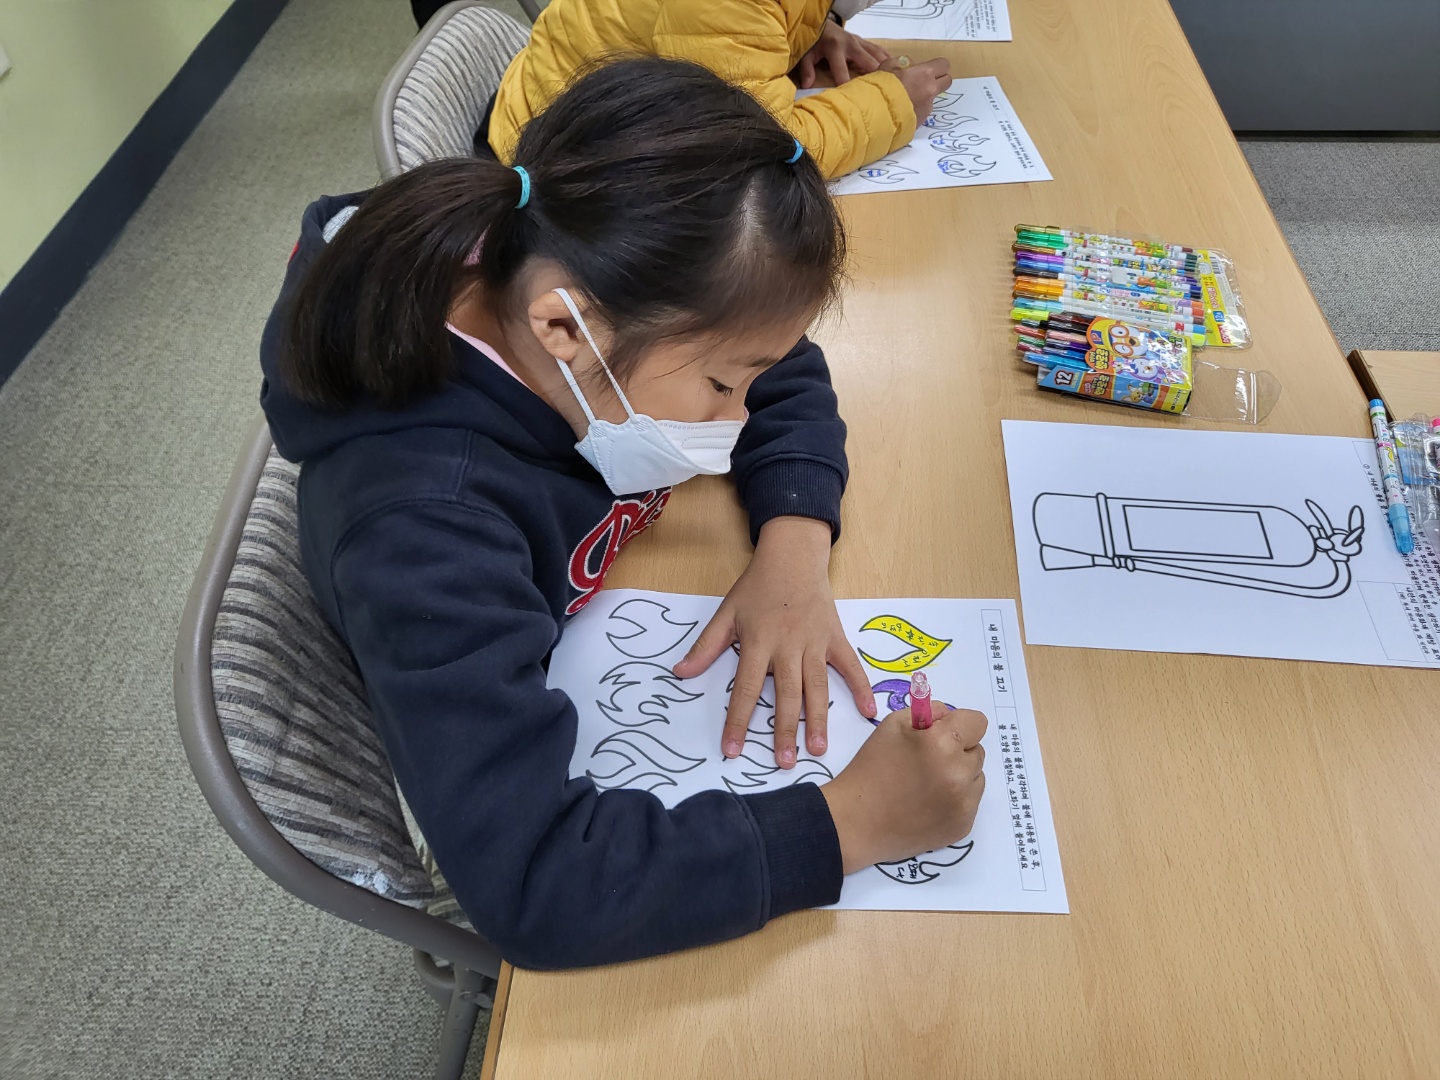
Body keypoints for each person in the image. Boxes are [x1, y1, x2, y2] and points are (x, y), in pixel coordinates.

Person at [261, 57, 985, 969]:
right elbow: (539, 886)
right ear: (566, 329)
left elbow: (780, 361)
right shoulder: (423, 533)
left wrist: (794, 542)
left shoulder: (569, 264)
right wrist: (851, 822)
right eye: (721, 386)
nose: (740, 416)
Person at [485, 0, 953, 179]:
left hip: (596, 105)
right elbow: (760, 148)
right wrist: (893, 101)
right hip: (565, 161)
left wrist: (813, 28)